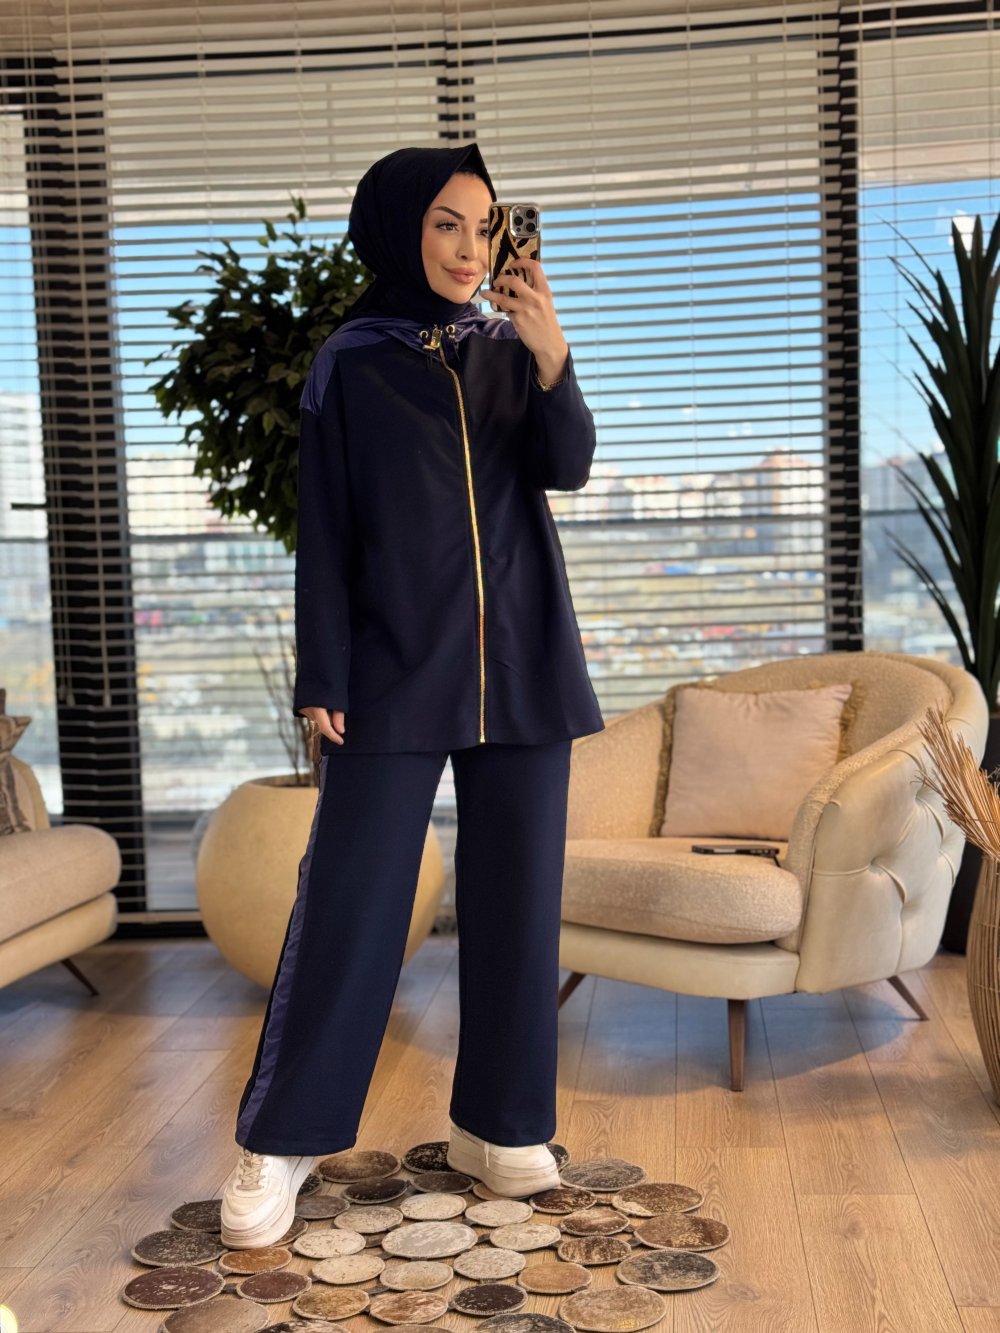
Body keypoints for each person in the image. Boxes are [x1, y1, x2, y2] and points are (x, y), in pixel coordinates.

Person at [220, 142, 605, 1250]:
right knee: (352, 896)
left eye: (484, 226)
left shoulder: (507, 350)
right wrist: (322, 673)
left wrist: (552, 355)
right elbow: (325, 529)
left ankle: (500, 1124)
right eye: (446, 223)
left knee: (519, 901)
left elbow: (567, 465)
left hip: (522, 663)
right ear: (398, 227)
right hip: (391, 667)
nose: (469, 248)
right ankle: (282, 1138)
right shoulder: (350, 362)